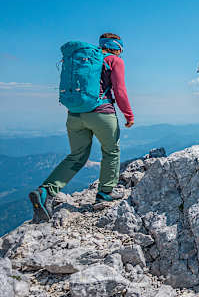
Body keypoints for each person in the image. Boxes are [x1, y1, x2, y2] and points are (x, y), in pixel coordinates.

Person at [29, 33, 134, 223]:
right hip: (102, 113)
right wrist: (128, 115)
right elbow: (119, 90)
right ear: (117, 48)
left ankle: (46, 191)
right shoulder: (114, 61)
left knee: (77, 155)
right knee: (111, 151)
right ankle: (104, 193)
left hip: (74, 115)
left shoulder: (88, 60)